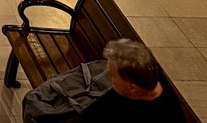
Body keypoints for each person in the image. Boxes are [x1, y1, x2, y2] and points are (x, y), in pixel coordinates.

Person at [27, 39, 181, 123]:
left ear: (132, 87)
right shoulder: (137, 85)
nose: (108, 77)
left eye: (113, 76)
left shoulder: (163, 114)